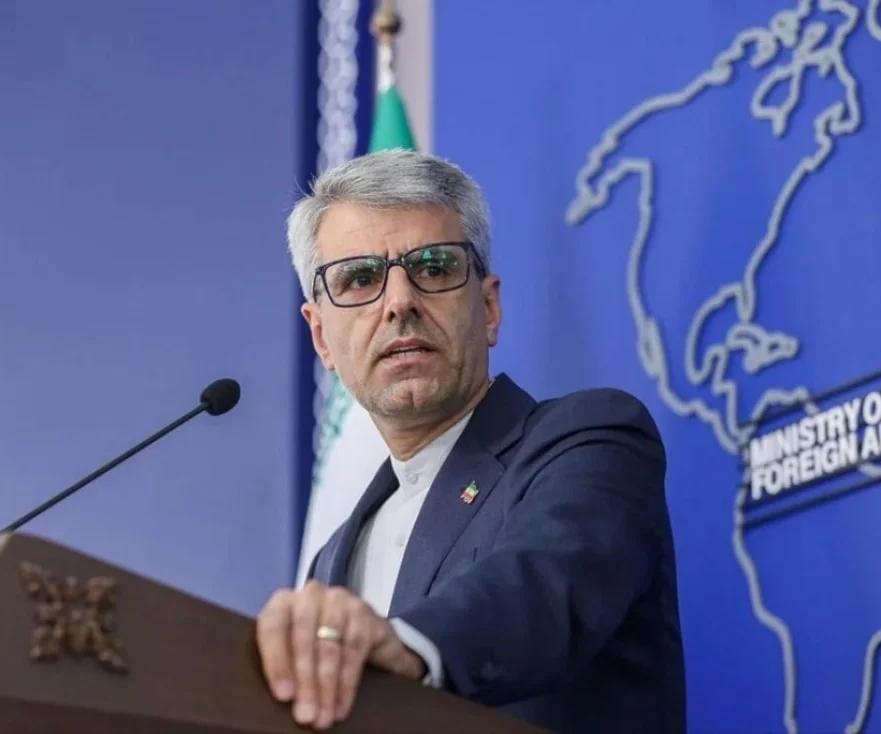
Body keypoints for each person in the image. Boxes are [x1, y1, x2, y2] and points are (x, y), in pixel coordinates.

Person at [257, 149, 686, 733]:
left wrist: (407, 645)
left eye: (433, 267)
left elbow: (543, 585)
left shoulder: (592, 441)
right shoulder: (332, 556)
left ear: (488, 307)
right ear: (321, 337)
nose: (399, 302)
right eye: (359, 279)